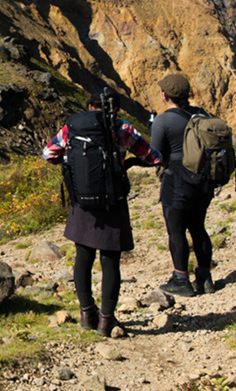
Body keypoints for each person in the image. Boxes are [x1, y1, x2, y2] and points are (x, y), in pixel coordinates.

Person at [43, 87, 161, 336]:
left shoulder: (71, 129)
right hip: (113, 202)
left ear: (89, 107)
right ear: (115, 108)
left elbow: (48, 154)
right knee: (110, 262)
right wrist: (127, 161)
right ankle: (106, 320)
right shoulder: (123, 128)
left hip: (82, 202)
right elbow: (154, 157)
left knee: (83, 257)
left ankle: (87, 313)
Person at [150, 73, 216, 296]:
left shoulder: (163, 120)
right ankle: (205, 278)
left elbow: (155, 155)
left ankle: (180, 278)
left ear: (164, 95)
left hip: (177, 181)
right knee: (198, 228)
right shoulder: (201, 114)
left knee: (176, 231)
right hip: (204, 181)